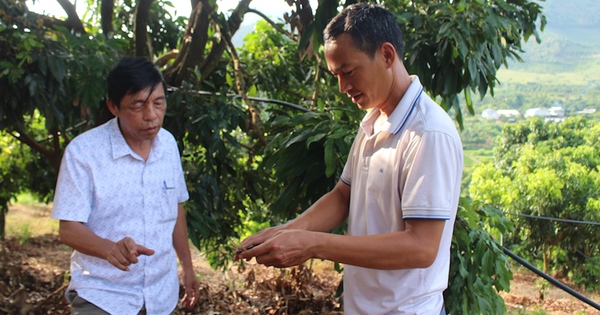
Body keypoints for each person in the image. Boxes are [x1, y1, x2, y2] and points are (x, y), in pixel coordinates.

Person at [234, 3, 463, 314]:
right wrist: (289, 231)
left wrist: (313, 244)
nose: (342, 87)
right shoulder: (374, 121)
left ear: (386, 55)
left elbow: (422, 248)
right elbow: (343, 196)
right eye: (335, 75)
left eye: (348, 72)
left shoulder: (428, 133)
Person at [51, 56, 199, 315]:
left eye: (158, 103)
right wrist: (109, 248)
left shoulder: (168, 146)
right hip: (103, 295)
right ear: (113, 106)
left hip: (160, 296)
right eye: (138, 105)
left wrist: (187, 268)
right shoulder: (84, 153)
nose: (151, 115)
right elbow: (69, 229)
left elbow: (175, 210)